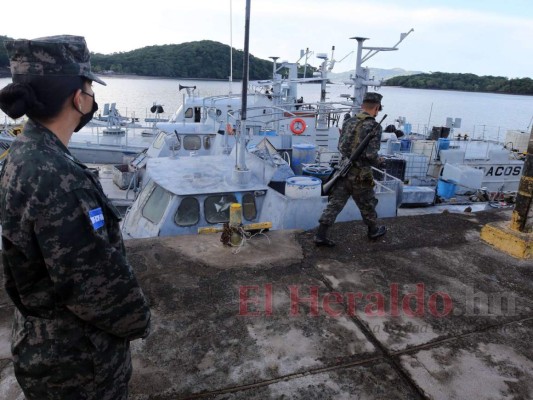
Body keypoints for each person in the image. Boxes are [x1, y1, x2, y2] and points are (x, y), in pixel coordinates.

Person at [0, 35, 151, 400]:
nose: (91, 98)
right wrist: (140, 319)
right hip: (79, 364)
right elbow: (92, 284)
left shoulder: (23, 153)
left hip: (43, 346)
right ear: (77, 98)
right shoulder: (60, 179)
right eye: (89, 88)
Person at [314, 92, 387, 246]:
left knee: (335, 204)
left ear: (362, 106)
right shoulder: (374, 126)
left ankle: (320, 235)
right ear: (377, 108)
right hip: (361, 174)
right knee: (367, 203)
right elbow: (370, 155)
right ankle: (373, 231)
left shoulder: (349, 122)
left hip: (343, 170)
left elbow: (340, 146)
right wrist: (379, 161)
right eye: (378, 109)